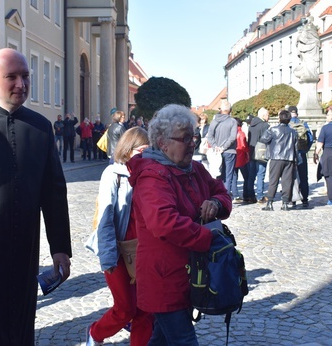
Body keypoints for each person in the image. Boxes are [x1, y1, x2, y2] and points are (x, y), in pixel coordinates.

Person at [0, 48, 72, 345]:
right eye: (11, 77)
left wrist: (60, 248)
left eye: (25, 76)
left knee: (20, 324)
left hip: (24, 248)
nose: (21, 84)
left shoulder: (41, 126)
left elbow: (53, 190)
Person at [126, 104, 232, 345]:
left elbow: (222, 193)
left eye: (193, 137)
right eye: (185, 139)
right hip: (164, 278)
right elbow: (164, 222)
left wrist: (215, 202)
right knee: (183, 340)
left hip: (189, 273)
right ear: (163, 143)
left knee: (162, 340)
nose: (193, 143)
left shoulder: (194, 168)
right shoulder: (152, 176)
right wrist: (207, 239)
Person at [85, 127, 153, 346]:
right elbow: (105, 219)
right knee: (125, 308)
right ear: (128, 149)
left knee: (145, 309)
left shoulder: (151, 174)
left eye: (149, 150)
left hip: (144, 252)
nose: (146, 155)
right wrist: (108, 258)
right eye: (142, 150)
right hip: (117, 251)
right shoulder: (113, 174)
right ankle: (95, 333)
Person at [259, 110, 298, 211]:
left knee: (273, 181)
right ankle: (285, 203)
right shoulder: (293, 132)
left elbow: (263, 139)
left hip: (276, 157)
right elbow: (295, 147)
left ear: (279, 118)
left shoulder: (273, 129)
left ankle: (270, 203)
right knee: (287, 181)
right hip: (289, 158)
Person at [206, 100, 238, 195]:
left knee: (219, 175)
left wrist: (216, 146)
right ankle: (226, 197)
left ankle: (218, 196)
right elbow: (233, 137)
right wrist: (223, 147)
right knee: (228, 176)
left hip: (217, 152)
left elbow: (209, 137)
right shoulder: (232, 121)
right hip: (229, 151)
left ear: (221, 109)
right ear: (230, 110)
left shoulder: (214, 121)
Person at [288, 105, 314, 208]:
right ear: (297, 113)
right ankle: (305, 199)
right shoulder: (303, 123)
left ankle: (293, 199)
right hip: (302, 153)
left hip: (291, 154)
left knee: (292, 177)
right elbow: (311, 138)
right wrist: (306, 150)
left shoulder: (288, 124)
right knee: (304, 178)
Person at [245, 108, 270, 204]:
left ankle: (250, 195)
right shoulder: (265, 126)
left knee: (251, 175)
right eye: (268, 115)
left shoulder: (251, 125)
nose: (269, 117)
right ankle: (260, 196)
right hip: (261, 152)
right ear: (263, 116)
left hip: (252, 152)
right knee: (260, 174)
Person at [293, 16, 321, 81]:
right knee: (308, 63)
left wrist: (299, 38)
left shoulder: (307, 30)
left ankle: (310, 73)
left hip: (310, 50)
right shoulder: (312, 32)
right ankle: (309, 73)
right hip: (310, 50)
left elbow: (304, 40)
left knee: (309, 63)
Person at [232, 117, 250, 203]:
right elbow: (243, 146)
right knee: (246, 177)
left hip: (233, 157)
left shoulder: (231, 132)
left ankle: (236, 195)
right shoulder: (241, 133)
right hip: (242, 157)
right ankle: (246, 194)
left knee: (234, 177)